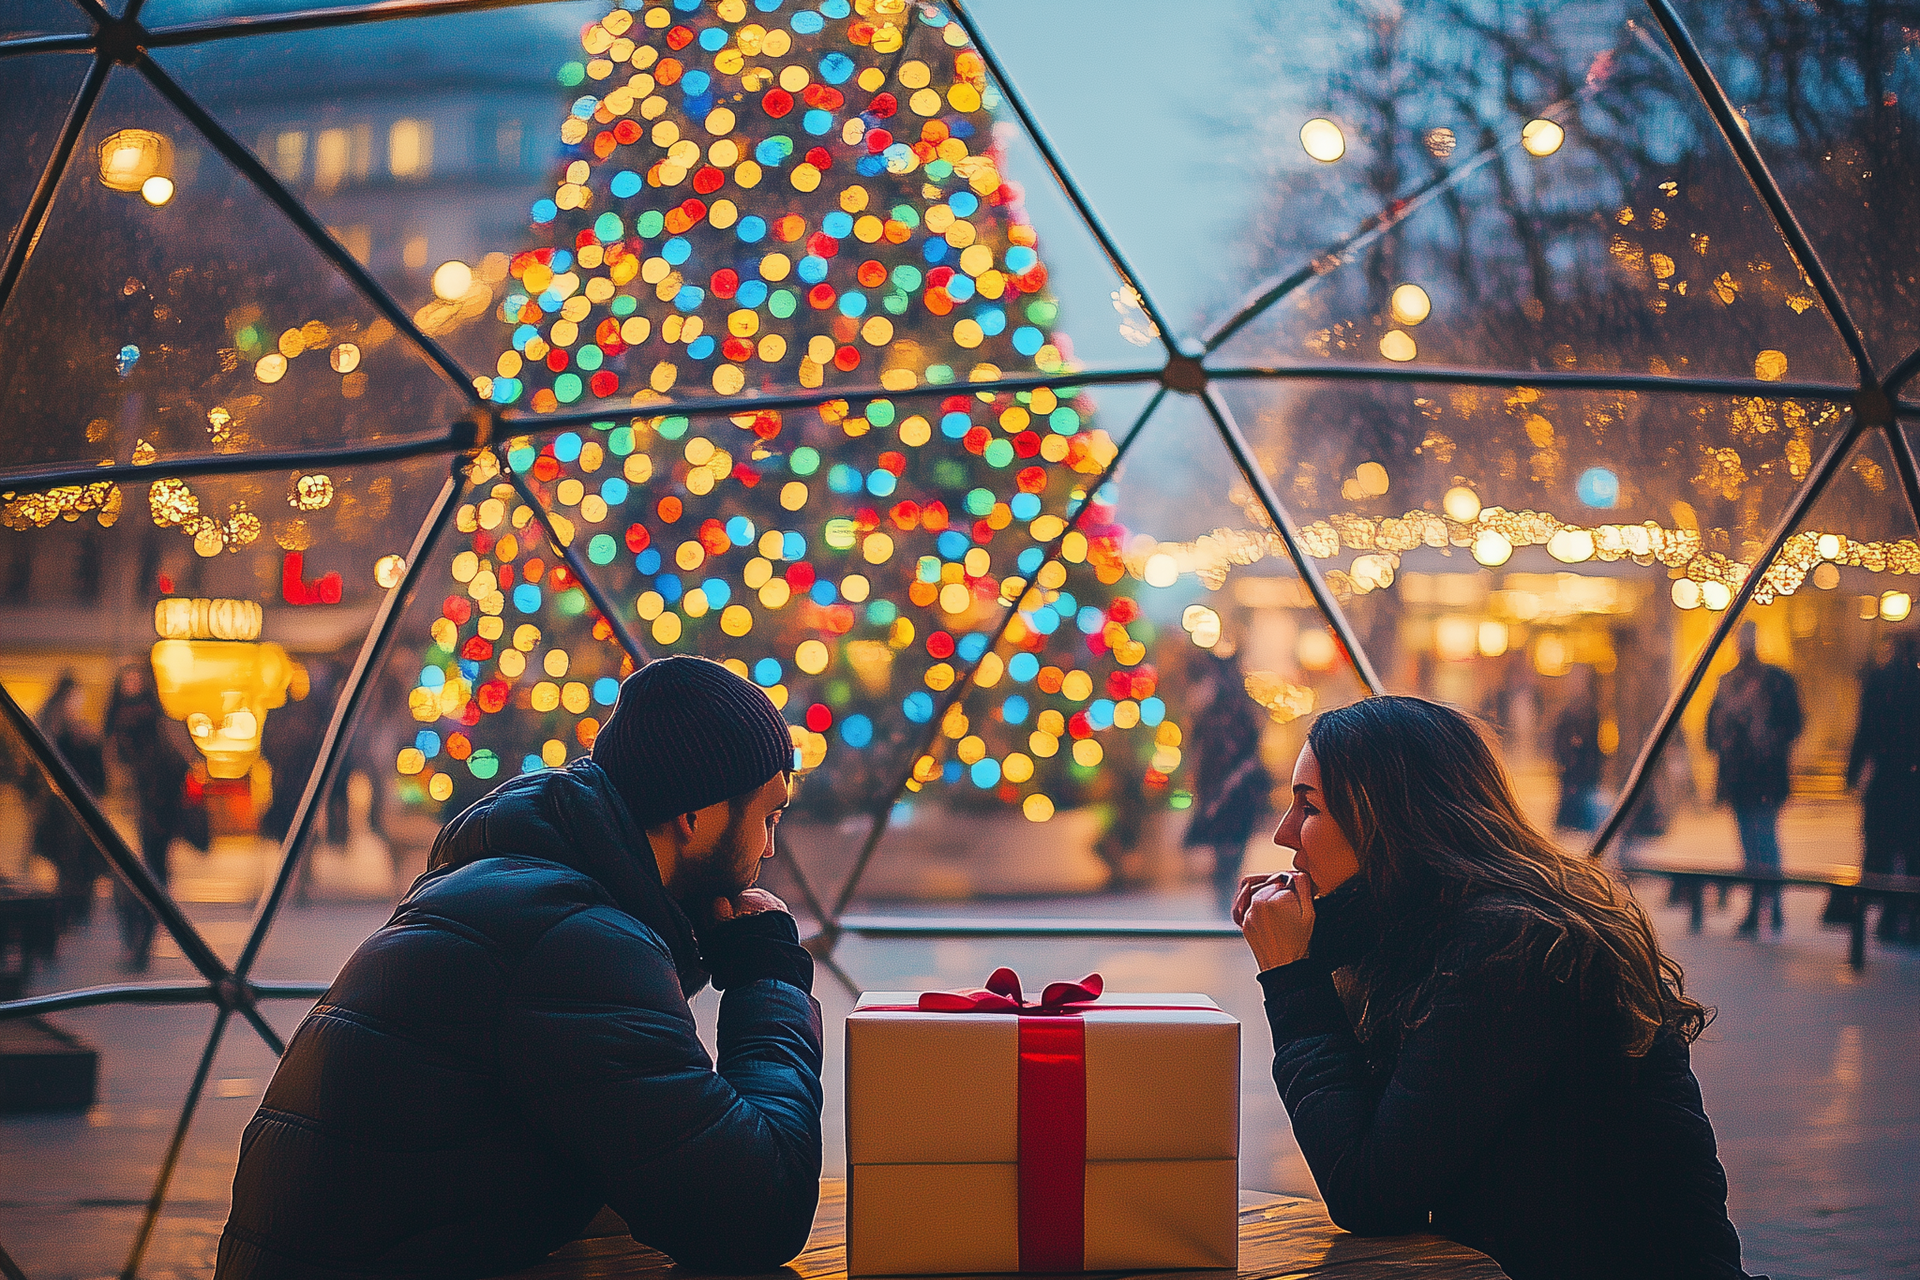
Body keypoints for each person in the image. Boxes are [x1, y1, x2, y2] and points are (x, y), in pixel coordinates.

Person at [217, 656, 823, 1280]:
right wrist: (765, 979)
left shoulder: (516, 894)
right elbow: (759, 1211)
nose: (770, 848)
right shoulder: (577, 948)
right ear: (695, 816)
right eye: (768, 817)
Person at [1237, 697, 1754, 1280]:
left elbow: (1371, 1192)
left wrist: (1291, 979)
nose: (1284, 835)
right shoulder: (1434, 931)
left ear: (1392, 820)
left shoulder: (1512, 949)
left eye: (1309, 808)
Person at [1705, 623, 1802, 934]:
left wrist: (1766, 738)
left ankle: (1768, 906)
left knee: (1761, 840)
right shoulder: (1733, 682)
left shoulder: (1770, 681)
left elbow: (1792, 724)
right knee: (1753, 843)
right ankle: (1764, 906)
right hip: (1747, 777)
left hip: (1759, 776)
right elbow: (1712, 731)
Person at [104, 663, 189, 970]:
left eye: (137, 680)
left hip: (153, 818)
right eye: (127, 680)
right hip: (126, 814)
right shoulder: (115, 726)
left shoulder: (158, 725)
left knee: (149, 882)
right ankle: (135, 944)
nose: (132, 685)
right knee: (126, 883)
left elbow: (179, 767)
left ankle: (141, 944)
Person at [1183, 649, 1273, 915]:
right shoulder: (1235, 705)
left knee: (1227, 847)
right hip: (1234, 786)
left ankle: (1224, 902)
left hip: (1229, 786)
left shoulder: (1217, 706)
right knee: (1229, 847)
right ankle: (1224, 902)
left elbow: (1199, 745)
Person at [1843, 630, 1920, 942]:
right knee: (1913, 852)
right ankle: (1912, 919)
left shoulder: (1878, 682)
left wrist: (1852, 771)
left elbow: (1864, 729)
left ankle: (1888, 916)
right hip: (1913, 778)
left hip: (1886, 777)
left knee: (1881, 848)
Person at [32, 672, 107, 928]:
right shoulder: (55, 730)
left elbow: (99, 775)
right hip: (63, 809)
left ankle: (77, 906)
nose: (78, 702)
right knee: (69, 863)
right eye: (74, 697)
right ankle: (70, 908)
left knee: (82, 862)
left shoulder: (81, 732)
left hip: (82, 807)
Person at [1550, 664, 1604, 834]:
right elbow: (1559, 737)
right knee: (1571, 808)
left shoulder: (1590, 709)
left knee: (1582, 808)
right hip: (1570, 768)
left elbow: (1592, 742)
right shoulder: (1567, 709)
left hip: (1585, 770)